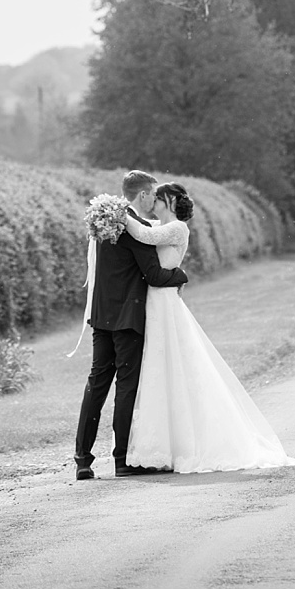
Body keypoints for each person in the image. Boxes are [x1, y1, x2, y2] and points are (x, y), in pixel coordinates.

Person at [124, 182, 295, 474]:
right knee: (159, 367)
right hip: (154, 301)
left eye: (159, 197)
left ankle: (183, 445)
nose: (154, 199)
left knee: (173, 363)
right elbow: (146, 233)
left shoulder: (178, 228)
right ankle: (161, 446)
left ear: (170, 201)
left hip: (165, 303)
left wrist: (117, 214)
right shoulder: (160, 223)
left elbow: (144, 235)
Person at [74, 170, 189, 481]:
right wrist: (181, 276)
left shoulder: (103, 221)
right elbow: (153, 275)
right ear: (142, 195)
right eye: (152, 194)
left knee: (96, 384)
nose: (154, 199)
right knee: (126, 387)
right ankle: (121, 459)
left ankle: (82, 459)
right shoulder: (133, 228)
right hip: (127, 319)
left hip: (102, 315)